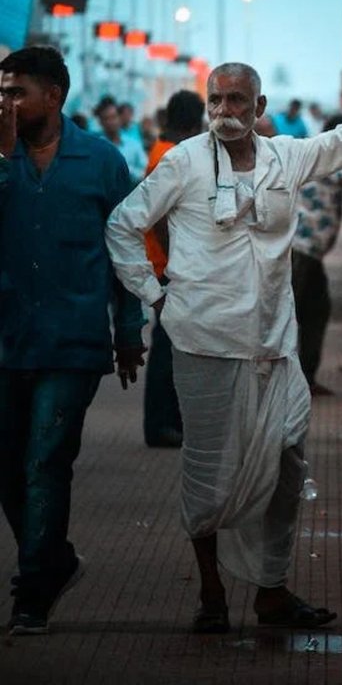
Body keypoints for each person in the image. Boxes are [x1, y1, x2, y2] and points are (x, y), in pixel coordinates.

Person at [105, 48, 342, 633]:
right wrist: (156, 295)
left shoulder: (285, 159)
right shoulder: (184, 163)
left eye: (237, 99)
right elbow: (123, 224)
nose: (224, 109)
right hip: (203, 342)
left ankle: (271, 592)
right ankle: (212, 596)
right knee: (208, 472)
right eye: (216, 99)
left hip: (275, 345)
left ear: (260, 106)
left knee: (288, 465)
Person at [0, 46, 146, 635]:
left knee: (45, 462)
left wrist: (129, 329)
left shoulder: (102, 162)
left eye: (15, 93)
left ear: (53, 97)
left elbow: (125, 250)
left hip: (74, 341)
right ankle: (56, 559)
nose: (5, 102)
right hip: (7, 340)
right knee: (8, 465)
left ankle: (32, 589)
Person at [144, 90, 205, 448]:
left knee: (171, 346)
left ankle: (167, 422)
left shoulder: (162, 152)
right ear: (193, 122)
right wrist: (180, 264)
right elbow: (162, 219)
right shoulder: (168, 158)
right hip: (168, 269)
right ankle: (161, 425)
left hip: (165, 266)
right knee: (168, 350)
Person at [292, 114, 342, 396]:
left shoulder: (318, 154)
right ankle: (286, 384)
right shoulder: (326, 158)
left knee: (315, 313)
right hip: (301, 252)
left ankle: (304, 380)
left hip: (308, 253)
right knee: (293, 318)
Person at [95, 97, 147, 186]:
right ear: (101, 122)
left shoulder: (134, 144)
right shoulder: (96, 146)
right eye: (106, 118)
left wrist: (125, 169)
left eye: (113, 117)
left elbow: (145, 171)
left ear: (119, 118)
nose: (110, 122)